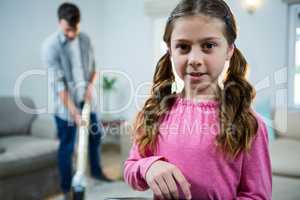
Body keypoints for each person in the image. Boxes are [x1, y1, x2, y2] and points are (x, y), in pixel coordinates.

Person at [123, 0, 272, 199]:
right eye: (183, 47)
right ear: (170, 50)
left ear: (229, 50)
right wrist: (148, 166)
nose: (194, 59)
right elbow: (131, 168)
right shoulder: (155, 112)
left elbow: (257, 195)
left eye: (208, 45)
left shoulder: (249, 124)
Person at [42, 2, 112, 197]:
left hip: (88, 100)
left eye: (75, 29)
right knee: (68, 147)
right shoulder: (50, 47)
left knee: (95, 136)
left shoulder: (85, 39)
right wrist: (73, 111)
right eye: (67, 30)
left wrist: (90, 85)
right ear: (59, 23)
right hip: (65, 106)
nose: (71, 34)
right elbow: (58, 85)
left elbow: (94, 68)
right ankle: (67, 188)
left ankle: (97, 174)